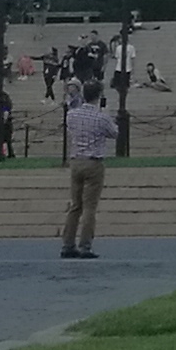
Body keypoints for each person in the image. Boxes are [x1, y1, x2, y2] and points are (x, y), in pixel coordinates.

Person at [58, 77, 117, 259]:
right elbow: (114, 133)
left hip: (76, 161)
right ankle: (85, 245)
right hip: (93, 162)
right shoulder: (101, 117)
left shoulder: (72, 115)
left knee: (75, 205)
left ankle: (68, 244)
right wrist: (107, 112)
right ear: (98, 96)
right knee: (90, 207)